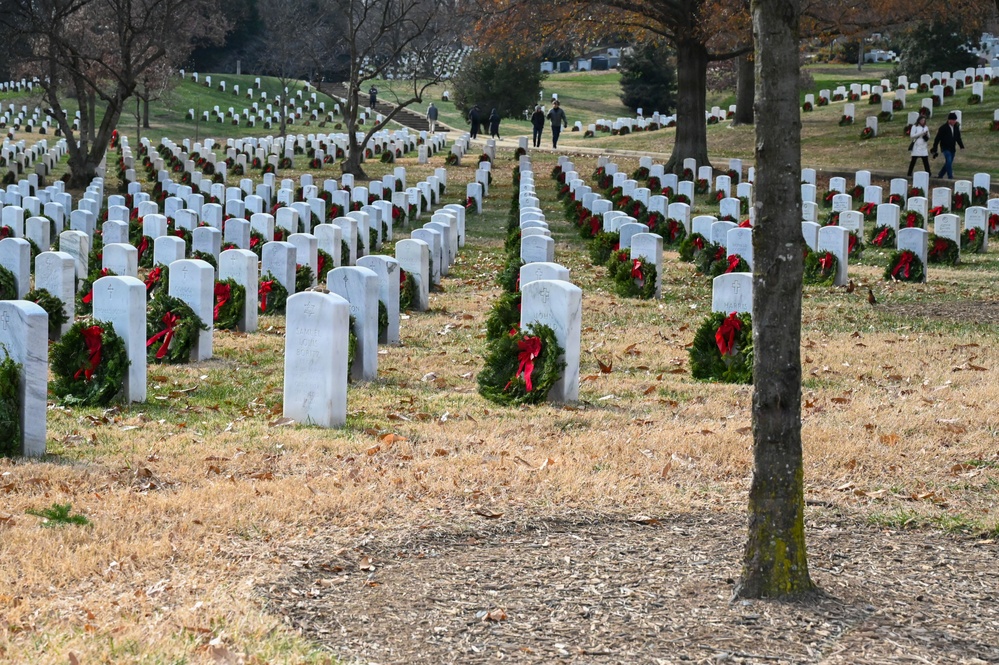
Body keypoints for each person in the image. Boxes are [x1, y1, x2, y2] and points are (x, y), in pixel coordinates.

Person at [931, 112, 964, 179]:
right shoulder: (943, 128)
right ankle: (950, 176)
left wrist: (961, 146)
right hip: (945, 147)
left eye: (955, 120)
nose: (954, 121)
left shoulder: (956, 127)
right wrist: (935, 147)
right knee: (948, 161)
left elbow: (958, 138)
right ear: (949, 120)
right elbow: (937, 138)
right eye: (953, 120)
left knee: (948, 163)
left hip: (952, 148)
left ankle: (940, 175)